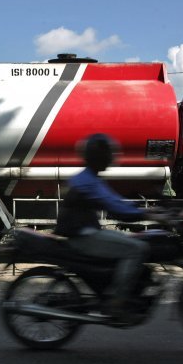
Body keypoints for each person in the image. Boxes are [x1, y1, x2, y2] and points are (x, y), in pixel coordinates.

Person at [54, 133, 154, 315]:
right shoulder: (89, 181)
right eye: (109, 153)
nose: (112, 157)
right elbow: (117, 208)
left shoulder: (90, 177)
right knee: (137, 248)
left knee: (131, 240)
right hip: (84, 236)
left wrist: (144, 209)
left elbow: (115, 200)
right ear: (99, 156)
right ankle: (116, 300)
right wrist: (146, 213)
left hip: (86, 232)